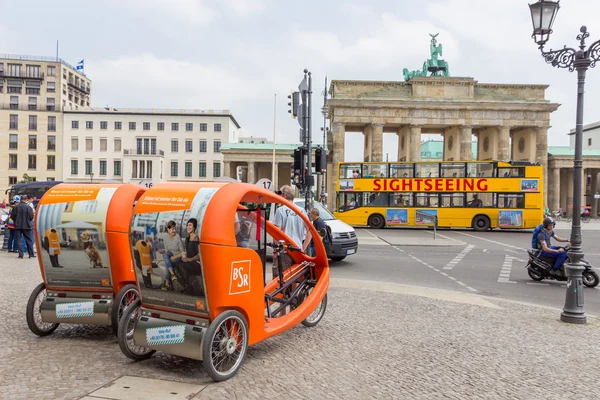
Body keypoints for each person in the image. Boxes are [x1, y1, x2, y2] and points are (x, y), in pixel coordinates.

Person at [273, 185, 312, 275]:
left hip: (284, 251)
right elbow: (310, 231)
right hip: (298, 250)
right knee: (294, 277)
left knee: (281, 278)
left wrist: (275, 251)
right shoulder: (301, 211)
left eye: (280, 194)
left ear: (284, 195)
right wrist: (303, 248)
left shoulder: (280, 210)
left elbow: (277, 233)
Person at [178, 218, 202, 294]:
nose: (188, 227)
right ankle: (186, 286)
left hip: (197, 263)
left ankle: (189, 287)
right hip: (190, 262)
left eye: (190, 225)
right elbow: (186, 251)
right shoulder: (187, 239)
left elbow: (199, 255)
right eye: (187, 225)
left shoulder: (196, 238)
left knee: (183, 266)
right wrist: (184, 257)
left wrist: (189, 259)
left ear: (194, 227)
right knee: (177, 263)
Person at [159, 220, 184, 291]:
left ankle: (167, 282)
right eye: (172, 229)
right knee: (165, 255)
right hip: (170, 255)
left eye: (175, 228)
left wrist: (175, 256)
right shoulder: (165, 238)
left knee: (167, 262)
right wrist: (163, 251)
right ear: (168, 229)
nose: (174, 230)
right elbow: (167, 251)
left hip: (178, 257)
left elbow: (182, 252)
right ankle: (172, 274)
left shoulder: (177, 237)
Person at [12, 195, 35, 259]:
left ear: (20, 200)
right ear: (26, 200)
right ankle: (31, 254)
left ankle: (20, 255)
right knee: (29, 240)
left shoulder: (15, 207)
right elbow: (31, 217)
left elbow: (13, 216)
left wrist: (16, 221)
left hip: (17, 226)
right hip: (27, 225)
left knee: (18, 240)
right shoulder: (29, 207)